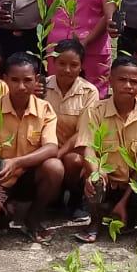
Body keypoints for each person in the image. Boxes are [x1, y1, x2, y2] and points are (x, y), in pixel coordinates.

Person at [0, 52, 65, 243]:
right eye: (14, 80)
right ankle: (4, 213)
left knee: (55, 167)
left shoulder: (44, 109)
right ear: (5, 79)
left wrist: (16, 162)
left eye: (27, 80)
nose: (21, 86)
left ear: (36, 79)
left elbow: (51, 148)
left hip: (30, 176)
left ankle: (34, 218)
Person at [74, 55, 137, 243]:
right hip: (106, 182)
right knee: (93, 180)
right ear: (110, 81)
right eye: (122, 80)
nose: (128, 85)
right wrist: (95, 173)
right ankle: (94, 222)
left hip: (132, 185)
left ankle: (127, 216)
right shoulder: (95, 111)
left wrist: (125, 200)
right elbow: (87, 147)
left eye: (133, 82)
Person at [44, 39, 100, 213]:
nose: (67, 70)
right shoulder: (42, 87)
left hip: (74, 151)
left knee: (72, 161)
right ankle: (53, 197)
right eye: (61, 63)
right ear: (53, 62)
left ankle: (77, 198)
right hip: (45, 149)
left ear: (81, 66)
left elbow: (83, 132)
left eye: (73, 65)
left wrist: (58, 154)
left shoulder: (89, 92)